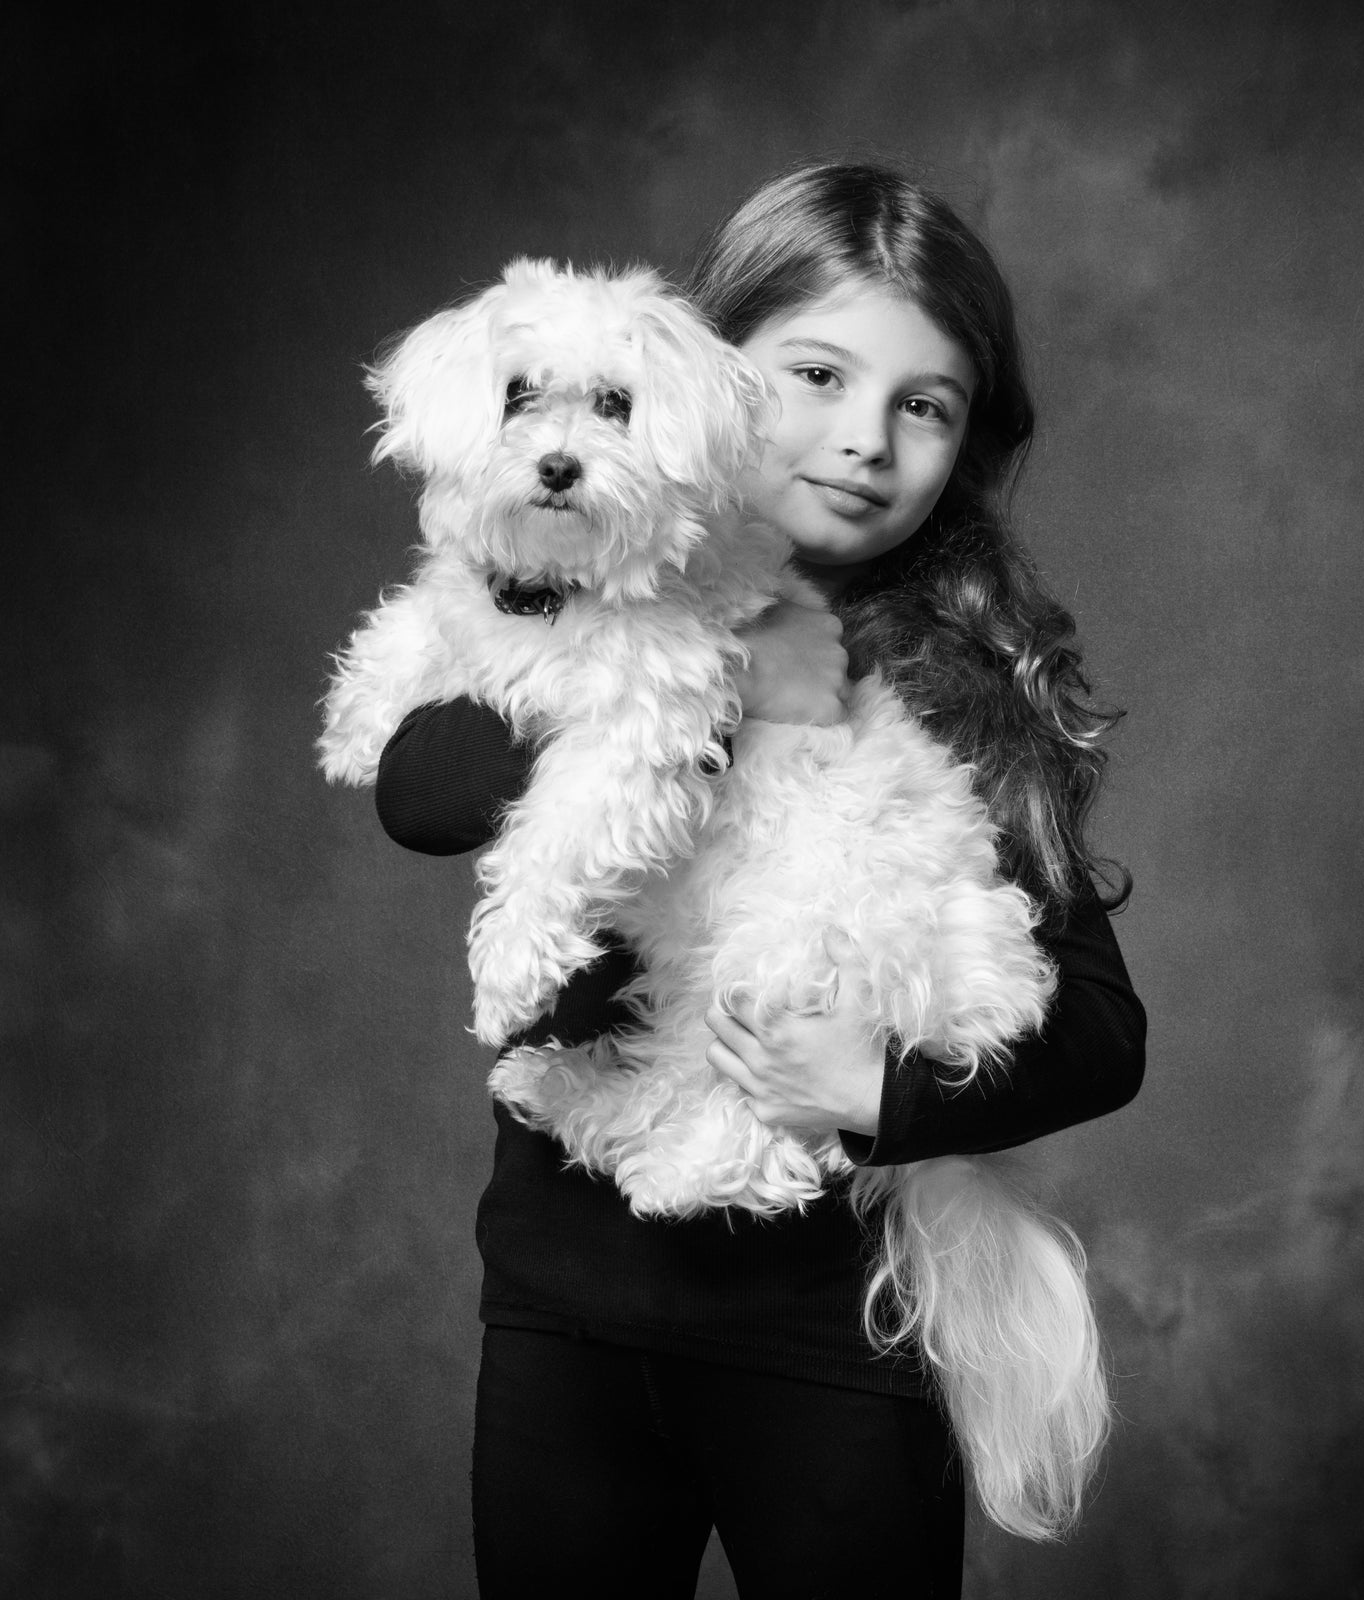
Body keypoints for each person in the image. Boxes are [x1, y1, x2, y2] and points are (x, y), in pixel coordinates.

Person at [373, 163, 1146, 1599]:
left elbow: (1103, 1032)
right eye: (817, 373)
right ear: (704, 376)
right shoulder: (575, 579)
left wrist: (883, 1095)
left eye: (927, 404)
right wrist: (624, 660)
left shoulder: (963, 687)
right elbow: (423, 794)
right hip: (565, 1313)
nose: (865, 441)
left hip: (832, 1344)